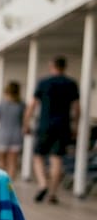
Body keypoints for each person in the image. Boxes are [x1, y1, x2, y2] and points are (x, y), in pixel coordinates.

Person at [25, 56, 81, 204]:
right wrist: (75, 126)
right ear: (64, 67)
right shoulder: (71, 84)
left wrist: (26, 123)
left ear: (52, 66)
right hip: (63, 126)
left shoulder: (44, 83)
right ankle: (52, 193)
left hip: (45, 125)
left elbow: (32, 105)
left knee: (38, 156)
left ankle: (43, 184)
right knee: (56, 159)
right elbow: (77, 108)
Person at [0, 80, 25, 182]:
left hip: (3, 136)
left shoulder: (0, 105)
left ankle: (2, 182)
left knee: (1, 162)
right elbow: (24, 122)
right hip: (16, 136)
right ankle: (10, 184)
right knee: (13, 163)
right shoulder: (21, 105)